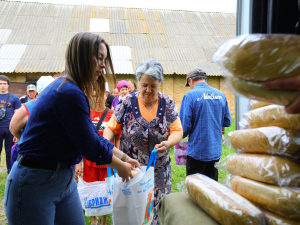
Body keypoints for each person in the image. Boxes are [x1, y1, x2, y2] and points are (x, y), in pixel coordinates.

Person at [4, 32, 140, 225]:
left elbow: (92, 136)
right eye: (98, 58)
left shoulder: (72, 90)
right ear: (82, 56)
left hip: (64, 181)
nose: (103, 64)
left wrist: (125, 157)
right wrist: (121, 167)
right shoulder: (69, 93)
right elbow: (91, 147)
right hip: (35, 182)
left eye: (104, 59)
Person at [104, 59, 183, 225]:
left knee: (158, 212)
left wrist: (168, 143)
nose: (148, 90)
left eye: (153, 86)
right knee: (133, 212)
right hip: (132, 171)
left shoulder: (167, 103)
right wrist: (105, 144)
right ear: (138, 82)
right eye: (144, 85)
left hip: (159, 173)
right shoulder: (126, 102)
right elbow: (111, 127)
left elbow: (177, 131)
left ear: (160, 84)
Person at [75, 90, 121, 225]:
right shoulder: (86, 113)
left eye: (100, 95)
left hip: (107, 161)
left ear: (106, 96)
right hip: (89, 161)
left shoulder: (113, 114)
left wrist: (117, 157)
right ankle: (94, 218)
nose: (97, 99)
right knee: (91, 190)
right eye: (94, 96)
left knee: (106, 191)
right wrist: (78, 162)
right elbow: (80, 139)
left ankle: (104, 221)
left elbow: (117, 138)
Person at [179, 68, 231, 181]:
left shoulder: (190, 96)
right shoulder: (220, 95)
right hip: (215, 151)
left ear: (190, 80)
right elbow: (227, 121)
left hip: (197, 152)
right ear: (204, 79)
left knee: (195, 188)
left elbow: (184, 128)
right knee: (211, 189)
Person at [10, 76, 55, 167]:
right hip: (32, 154)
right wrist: (23, 137)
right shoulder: (28, 106)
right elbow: (13, 128)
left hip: (52, 154)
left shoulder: (60, 105)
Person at [0, 75, 21, 173]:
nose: (2, 86)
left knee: (9, 152)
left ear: (8, 85)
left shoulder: (15, 98)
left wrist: (17, 132)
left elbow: (18, 115)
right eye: (0, 84)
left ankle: (10, 171)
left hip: (10, 128)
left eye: (4, 84)